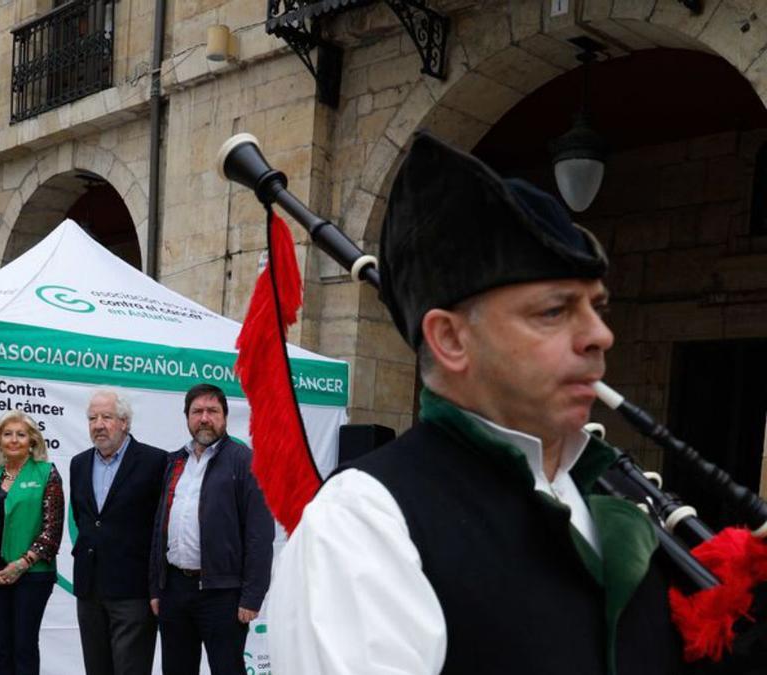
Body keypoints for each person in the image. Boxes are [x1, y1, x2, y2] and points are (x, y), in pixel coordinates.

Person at [269, 132, 685, 674]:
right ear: (451, 340)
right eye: (555, 312)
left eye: (597, 307)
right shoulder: (364, 523)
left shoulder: (608, 499)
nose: (600, 335)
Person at [149, 383, 274, 675]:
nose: (204, 418)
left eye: (212, 411)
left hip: (224, 595)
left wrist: (252, 597)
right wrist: (156, 587)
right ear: (187, 418)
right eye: (197, 412)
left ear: (225, 417)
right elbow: (159, 527)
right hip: (175, 590)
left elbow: (260, 534)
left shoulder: (245, 462)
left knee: (227, 669)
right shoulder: (174, 462)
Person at [69, 389, 167, 675]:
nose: (98, 424)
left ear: (124, 422)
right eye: (92, 418)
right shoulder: (79, 463)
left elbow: (160, 527)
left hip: (133, 592)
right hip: (90, 590)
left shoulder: (154, 461)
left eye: (106, 417)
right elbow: (84, 519)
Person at [0, 411, 64, 675]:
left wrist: (22, 563)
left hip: (33, 575)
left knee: (24, 646)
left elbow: (51, 531)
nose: (14, 440)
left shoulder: (47, 473)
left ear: (32, 441)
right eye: (7, 434)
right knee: (2, 648)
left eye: (21, 435)